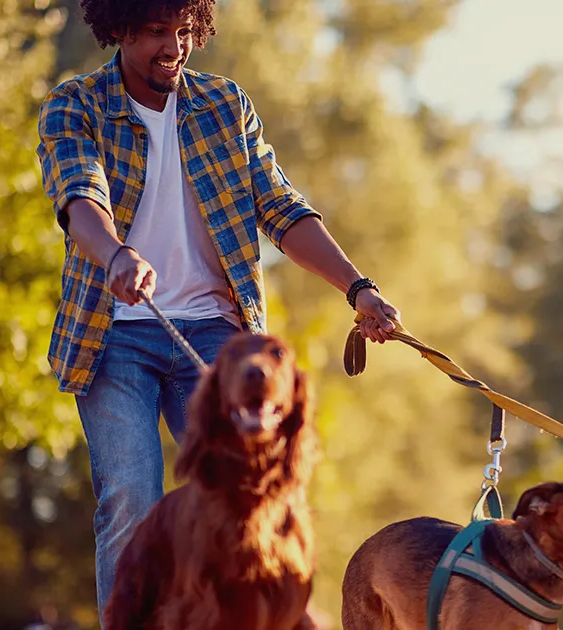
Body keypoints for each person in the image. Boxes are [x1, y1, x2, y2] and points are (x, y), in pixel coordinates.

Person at [35, 0, 401, 619]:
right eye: (155, 32)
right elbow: (80, 194)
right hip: (116, 333)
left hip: (214, 339)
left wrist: (358, 287)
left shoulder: (223, 105)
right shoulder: (76, 105)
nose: (172, 47)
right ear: (117, 29)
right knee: (132, 496)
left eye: (183, 31)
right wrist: (116, 253)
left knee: (250, 491)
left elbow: (280, 207)